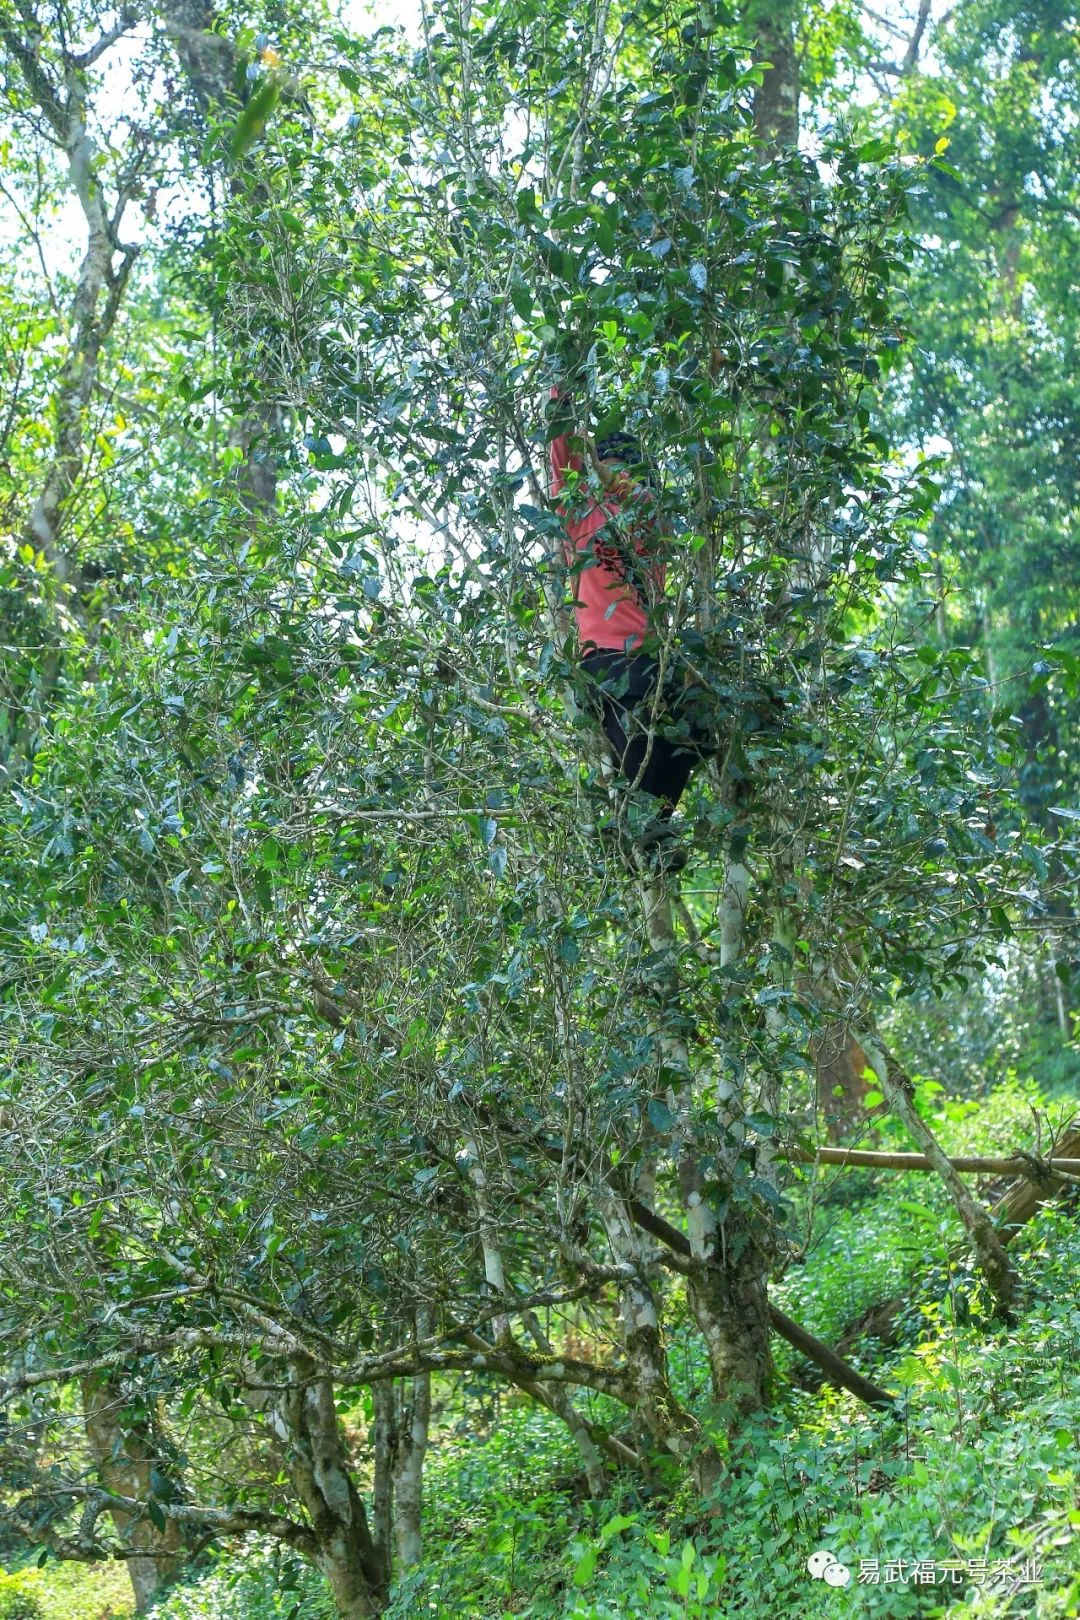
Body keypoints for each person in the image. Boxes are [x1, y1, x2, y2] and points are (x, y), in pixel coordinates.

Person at [547, 391, 715, 869]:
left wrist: (615, 479)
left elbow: (646, 502)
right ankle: (643, 825)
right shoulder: (581, 513)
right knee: (638, 725)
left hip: (651, 659)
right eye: (614, 466)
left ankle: (650, 823)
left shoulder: (650, 527)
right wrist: (565, 383)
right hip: (606, 657)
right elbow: (560, 451)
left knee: (699, 727)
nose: (621, 477)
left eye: (629, 470)